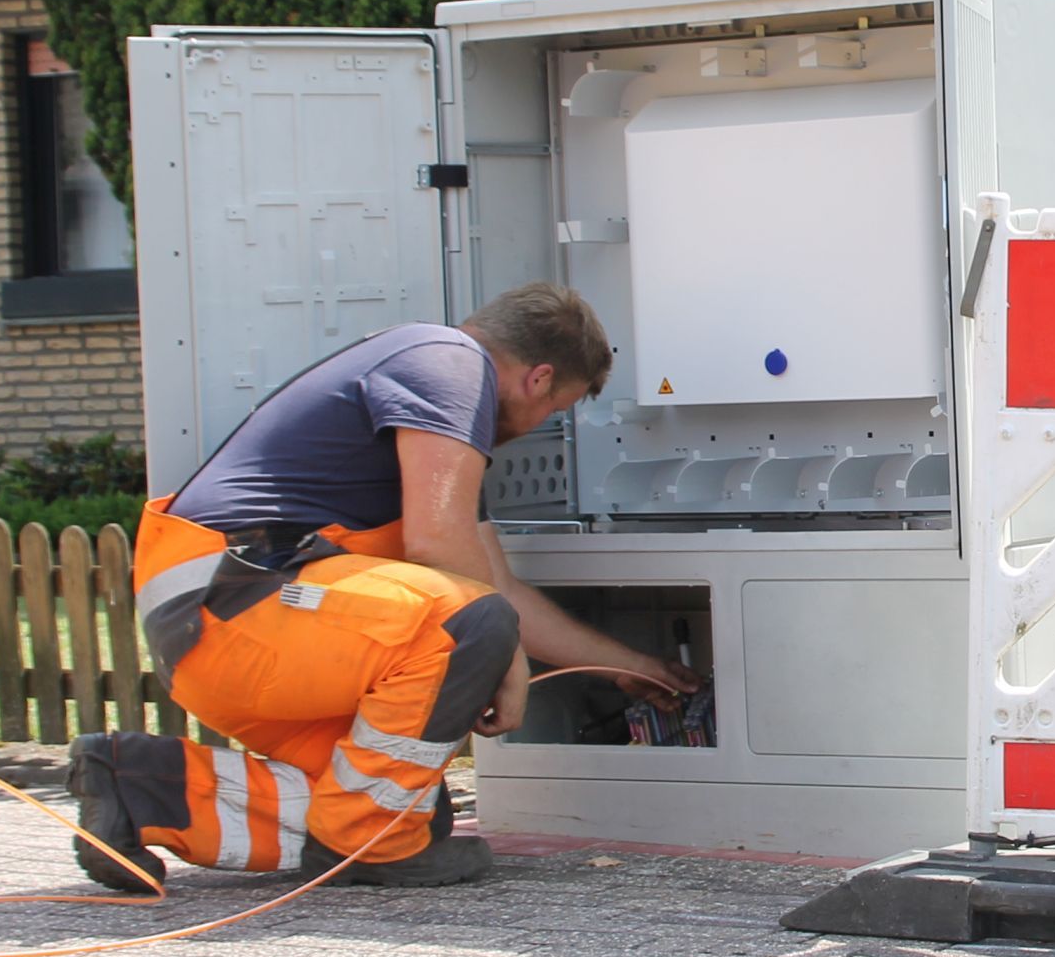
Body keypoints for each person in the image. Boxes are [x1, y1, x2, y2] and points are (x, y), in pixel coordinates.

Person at [68, 285, 697, 890]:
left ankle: (134, 785)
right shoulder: (448, 365)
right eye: (554, 410)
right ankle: (367, 846)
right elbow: (442, 557)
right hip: (240, 607)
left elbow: (493, 581)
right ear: (538, 377)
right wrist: (505, 663)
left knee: (403, 808)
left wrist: (630, 667)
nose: (538, 425)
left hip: (239, 629)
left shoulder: (435, 408)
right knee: (465, 627)